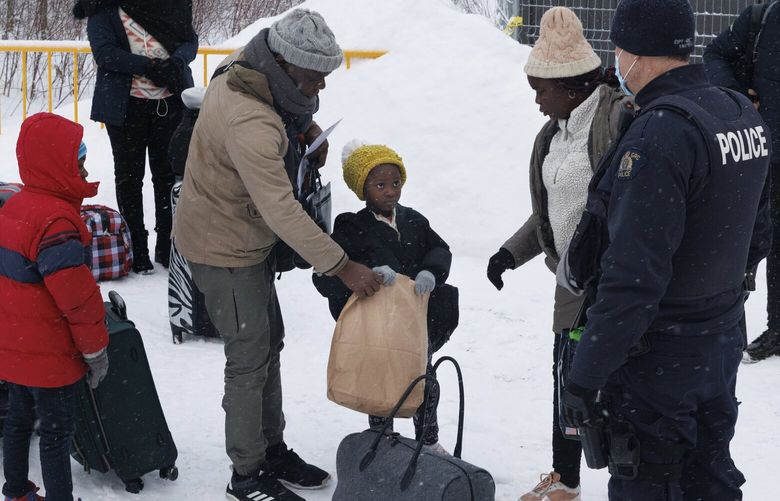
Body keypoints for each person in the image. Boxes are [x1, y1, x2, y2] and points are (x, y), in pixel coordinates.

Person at [557, 0, 771, 499]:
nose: (616, 63)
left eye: (618, 50)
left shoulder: (659, 134)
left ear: (632, 51)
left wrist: (584, 376)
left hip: (661, 358)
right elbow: (760, 228)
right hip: (716, 340)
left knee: (652, 479)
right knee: (709, 474)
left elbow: (633, 279)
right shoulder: (737, 111)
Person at [172, 9, 383, 501]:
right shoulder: (251, 122)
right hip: (222, 247)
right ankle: (246, 473)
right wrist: (343, 267)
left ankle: (272, 449)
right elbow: (283, 213)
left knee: (270, 345)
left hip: (243, 237)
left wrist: (305, 127)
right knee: (248, 358)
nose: (320, 89)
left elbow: (284, 108)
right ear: (284, 65)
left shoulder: (247, 67)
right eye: (313, 79)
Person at [485, 7, 631, 501]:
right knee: (567, 380)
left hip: (612, 284)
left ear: (568, 85)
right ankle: (566, 479)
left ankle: (628, 480)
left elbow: (625, 204)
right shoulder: (554, 133)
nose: (537, 103)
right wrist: (510, 253)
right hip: (571, 285)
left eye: (539, 92)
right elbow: (554, 212)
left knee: (609, 386)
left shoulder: (614, 121)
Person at [313, 139, 459, 452]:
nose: (390, 191)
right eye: (380, 184)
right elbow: (336, 267)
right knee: (380, 384)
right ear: (362, 189)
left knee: (423, 382)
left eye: (396, 182)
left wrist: (431, 271)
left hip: (414, 321)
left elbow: (439, 248)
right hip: (377, 323)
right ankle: (383, 440)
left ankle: (428, 441)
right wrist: (368, 271)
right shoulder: (351, 226)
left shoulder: (415, 221)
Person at [0, 113, 110, 501]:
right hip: (50, 356)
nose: (83, 169)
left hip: (12, 349)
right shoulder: (56, 222)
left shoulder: (13, 207)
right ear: (55, 164)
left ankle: (15, 491)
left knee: (17, 421)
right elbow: (76, 300)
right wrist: (95, 350)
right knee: (55, 433)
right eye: (76, 161)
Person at [74, 0, 198, 274]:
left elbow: (190, 41)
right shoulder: (102, 7)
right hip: (125, 107)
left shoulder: (172, 6)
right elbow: (105, 53)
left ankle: (168, 248)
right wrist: (148, 66)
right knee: (129, 178)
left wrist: (175, 62)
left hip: (171, 102)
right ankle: (135, 249)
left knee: (168, 177)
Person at [704, 1, 780, 362]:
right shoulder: (763, 19)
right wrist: (737, 96)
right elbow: (715, 53)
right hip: (764, 154)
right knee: (754, 241)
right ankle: (773, 328)